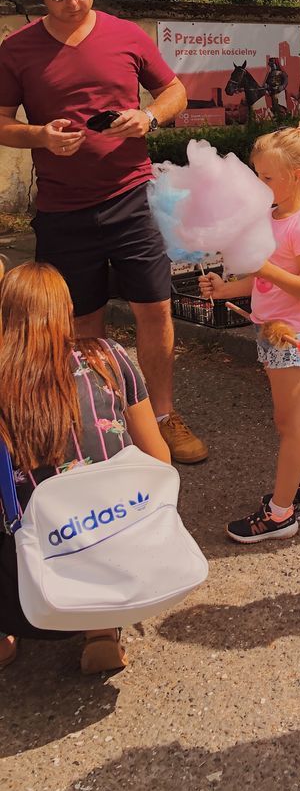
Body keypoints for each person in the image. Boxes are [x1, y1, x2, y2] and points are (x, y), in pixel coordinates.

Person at [0, 0, 205, 465]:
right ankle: (101, 421)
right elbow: (1, 123)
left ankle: (162, 416)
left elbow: (175, 90)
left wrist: (150, 118)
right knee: (82, 323)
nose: (74, 2)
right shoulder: (16, 49)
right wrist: (40, 136)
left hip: (130, 197)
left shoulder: (126, 34)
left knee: (155, 309)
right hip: (64, 211)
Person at [0, 261, 171, 673]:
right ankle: (100, 630)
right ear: (66, 311)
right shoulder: (106, 356)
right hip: (110, 560)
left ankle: (4, 636)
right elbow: (159, 459)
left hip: (28, 585)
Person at [199, 122, 300, 543]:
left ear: (297, 177)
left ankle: (280, 514)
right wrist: (226, 289)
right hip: (274, 332)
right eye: (256, 175)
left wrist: (264, 267)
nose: (258, 184)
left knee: (287, 423)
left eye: (266, 178)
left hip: (293, 335)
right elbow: (265, 283)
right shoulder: (274, 215)